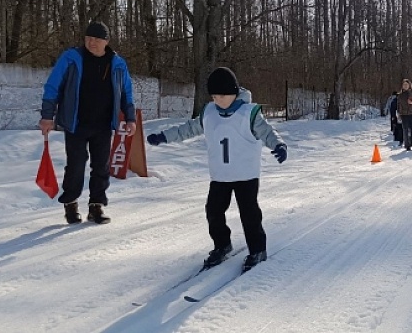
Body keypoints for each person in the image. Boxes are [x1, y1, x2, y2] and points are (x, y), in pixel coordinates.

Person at [146, 67, 287, 272]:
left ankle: (257, 249)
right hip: (220, 176)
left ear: (233, 92)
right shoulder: (209, 112)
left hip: (246, 175)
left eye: (222, 95)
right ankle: (222, 245)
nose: (218, 100)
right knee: (213, 211)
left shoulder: (249, 113)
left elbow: (267, 132)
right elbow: (188, 129)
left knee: (249, 214)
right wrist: (164, 136)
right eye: (214, 96)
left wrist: (279, 145)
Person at [39, 21, 136, 225]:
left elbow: (126, 92)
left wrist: (130, 117)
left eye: (96, 39)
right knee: (75, 164)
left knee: (101, 166)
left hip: (103, 123)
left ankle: (96, 206)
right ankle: (71, 203)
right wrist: (47, 115)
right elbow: (52, 86)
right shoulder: (71, 58)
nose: (91, 42)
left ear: (106, 41)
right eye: (88, 38)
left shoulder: (117, 64)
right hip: (76, 123)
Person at [397, 79, 412, 150]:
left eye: (406, 85)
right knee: (405, 129)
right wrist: (398, 114)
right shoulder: (400, 95)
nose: (405, 86)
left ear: (409, 85)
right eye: (404, 85)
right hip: (403, 114)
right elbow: (398, 105)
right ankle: (407, 145)